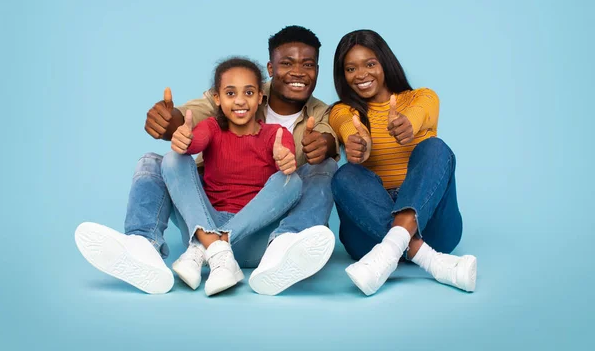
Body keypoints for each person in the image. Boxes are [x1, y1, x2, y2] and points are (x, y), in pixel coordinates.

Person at [75, 25, 338, 296]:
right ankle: (143, 248)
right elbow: (187, 120)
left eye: (308, 64)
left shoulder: (321, 114)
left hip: (264, 231)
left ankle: (281, 249)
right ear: (271, 69)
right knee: (156, 161)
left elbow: (328, 137)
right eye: (287, 63)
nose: (298, 72)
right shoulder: (240, 87)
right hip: (205, 215)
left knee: (317, 170)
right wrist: (173, 127)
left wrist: (318, 147)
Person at [329, 29, 477, 296]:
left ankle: (395, 248)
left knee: (435, 148)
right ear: (343, 75)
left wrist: (407, 124)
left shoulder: (422, 97)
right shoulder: (343, 111)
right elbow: (345, 128)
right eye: (351, 69)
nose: (361, 75)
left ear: (386, 62)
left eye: (370, 64)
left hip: (434, 225)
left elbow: (420, 114)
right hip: (368, 234)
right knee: (344, 175)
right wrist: (358, 142)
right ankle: (432, 261)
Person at [161, 57, 302, 296]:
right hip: (205, 221)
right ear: (217, 98)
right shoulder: (212, 127)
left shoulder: (276, 134)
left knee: (293, 180)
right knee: (173, 158)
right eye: (230, 93)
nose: (239, 101)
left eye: (248, 92)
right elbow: (195, 143)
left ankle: (209, 247)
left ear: (260, 97)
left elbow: (286, 152)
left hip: (251, 237)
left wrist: (284, 158)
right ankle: (213, 246)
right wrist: (184, 139)